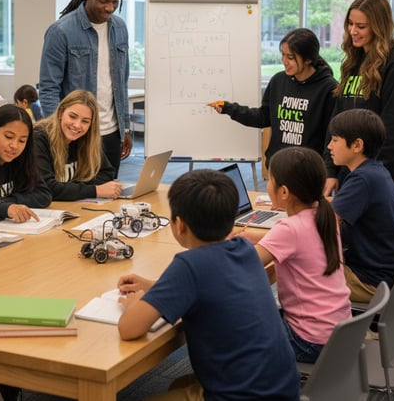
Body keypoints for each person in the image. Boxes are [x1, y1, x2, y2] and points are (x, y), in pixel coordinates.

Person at [116, 168, 299, 400]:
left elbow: (129, 329)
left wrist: (135, 302)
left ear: (179, 224)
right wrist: (153, 286)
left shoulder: (189, 265)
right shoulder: (245, 250)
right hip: (282, 389)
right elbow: (209, 285)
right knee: (179, 384)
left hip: (240, 396)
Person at [241, 147, 351, 363]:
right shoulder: (323, 215)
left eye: (270, 180)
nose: (267, 185)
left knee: (237, 324)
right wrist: (251, 237)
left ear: (283, 192)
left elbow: (244, 265)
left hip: (309, 341)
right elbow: (295, 241)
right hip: (339, 332)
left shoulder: (289, 229)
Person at [38, 0, 132, 177]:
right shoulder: (61, 32)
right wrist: (59, 135)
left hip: (111, 133)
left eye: (115, 2)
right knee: (78, 196)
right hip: (77, 134)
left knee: (109, 196)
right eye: (103, 1)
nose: (110, 8)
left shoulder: (120, 28)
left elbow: (121, 83)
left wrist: (125, 128)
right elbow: (49, 88)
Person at [325, 0, 394, 195]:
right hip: (347, 168)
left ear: (378, 26)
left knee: (368, 226)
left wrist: (364, 169)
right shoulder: (354, 61)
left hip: (378, 172)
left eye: (361, 26)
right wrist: (331, 169)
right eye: (350, 24)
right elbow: (336, 121)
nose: (353, 31)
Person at [209, 28, 337, 166]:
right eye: (283, 54)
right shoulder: (278, 80)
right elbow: (263, 117)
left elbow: (332, 136)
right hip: (278, 165)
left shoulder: (329, 88)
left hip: (309, 170)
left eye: (290, 57)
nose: (284, 61)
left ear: (308, 59)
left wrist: (330, 171)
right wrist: (229, 108)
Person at [327, 108, 394, 302]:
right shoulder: (375, 171)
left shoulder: (362, 179)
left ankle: (314, 331)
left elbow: (325, 222)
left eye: (335, 140)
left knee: (301, 274)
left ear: (357, 145)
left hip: (372, 281)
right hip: (388, 273)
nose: (329, 146)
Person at [34, 89, 121, 200]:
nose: (77, 125)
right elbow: (47, 188)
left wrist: (72, 189)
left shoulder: (86, 139)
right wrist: (95, 190)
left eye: (85, 121)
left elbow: (107, 173)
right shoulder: (38, 138)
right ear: (61, 112)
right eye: (72, 116)